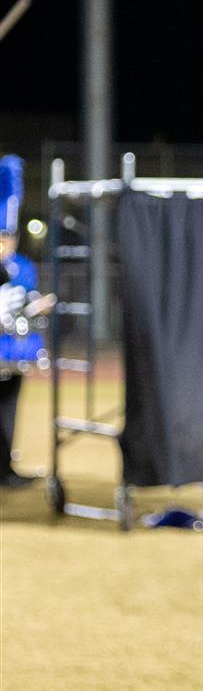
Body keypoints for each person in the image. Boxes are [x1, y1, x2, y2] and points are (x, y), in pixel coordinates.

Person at [1, 153, 43, 488]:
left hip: (13, 352)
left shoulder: (25, 267)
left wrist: (36, 307)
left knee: (10, 411)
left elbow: (25, 303)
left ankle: (6, 468)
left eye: (8, 237)